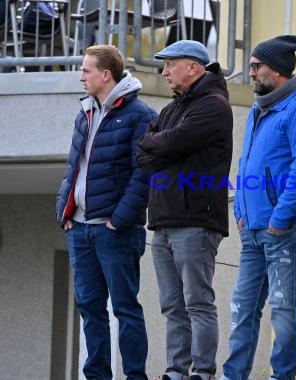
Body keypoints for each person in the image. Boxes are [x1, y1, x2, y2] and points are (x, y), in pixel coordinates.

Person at [220, 35, 296, 380]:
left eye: (255, 66)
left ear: (277, 70)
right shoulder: (258, 108)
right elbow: (246, 163)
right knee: (242, 308)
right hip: (253, 229)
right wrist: (239, 211)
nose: (249, 73)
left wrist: (280, 219)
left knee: (284, 310)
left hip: (287, 229)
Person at [56, 44, 157, 380]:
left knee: (126, 308)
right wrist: (65, 210)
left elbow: (143, 176)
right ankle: (97, 375)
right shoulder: (84, 113)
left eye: (86, 70)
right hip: (80, 228)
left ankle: (134, 376)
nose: (81, 75)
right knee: (89, 308)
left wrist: (119, 221)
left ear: (105, 74)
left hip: (115, 231)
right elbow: (75, 168)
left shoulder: (140, 115)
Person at [136, 40, 233, 380]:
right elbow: (144, 153)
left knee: (197, 302)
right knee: (173, 306)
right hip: (163, 219)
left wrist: (160, 143)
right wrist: (161, 144)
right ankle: (176, 372)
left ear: (193, 67)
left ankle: (202, 372)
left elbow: (172, 142)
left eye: (169, 65)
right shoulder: (173, 109)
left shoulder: (214, 105)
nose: (163, 72)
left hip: (195, 219)